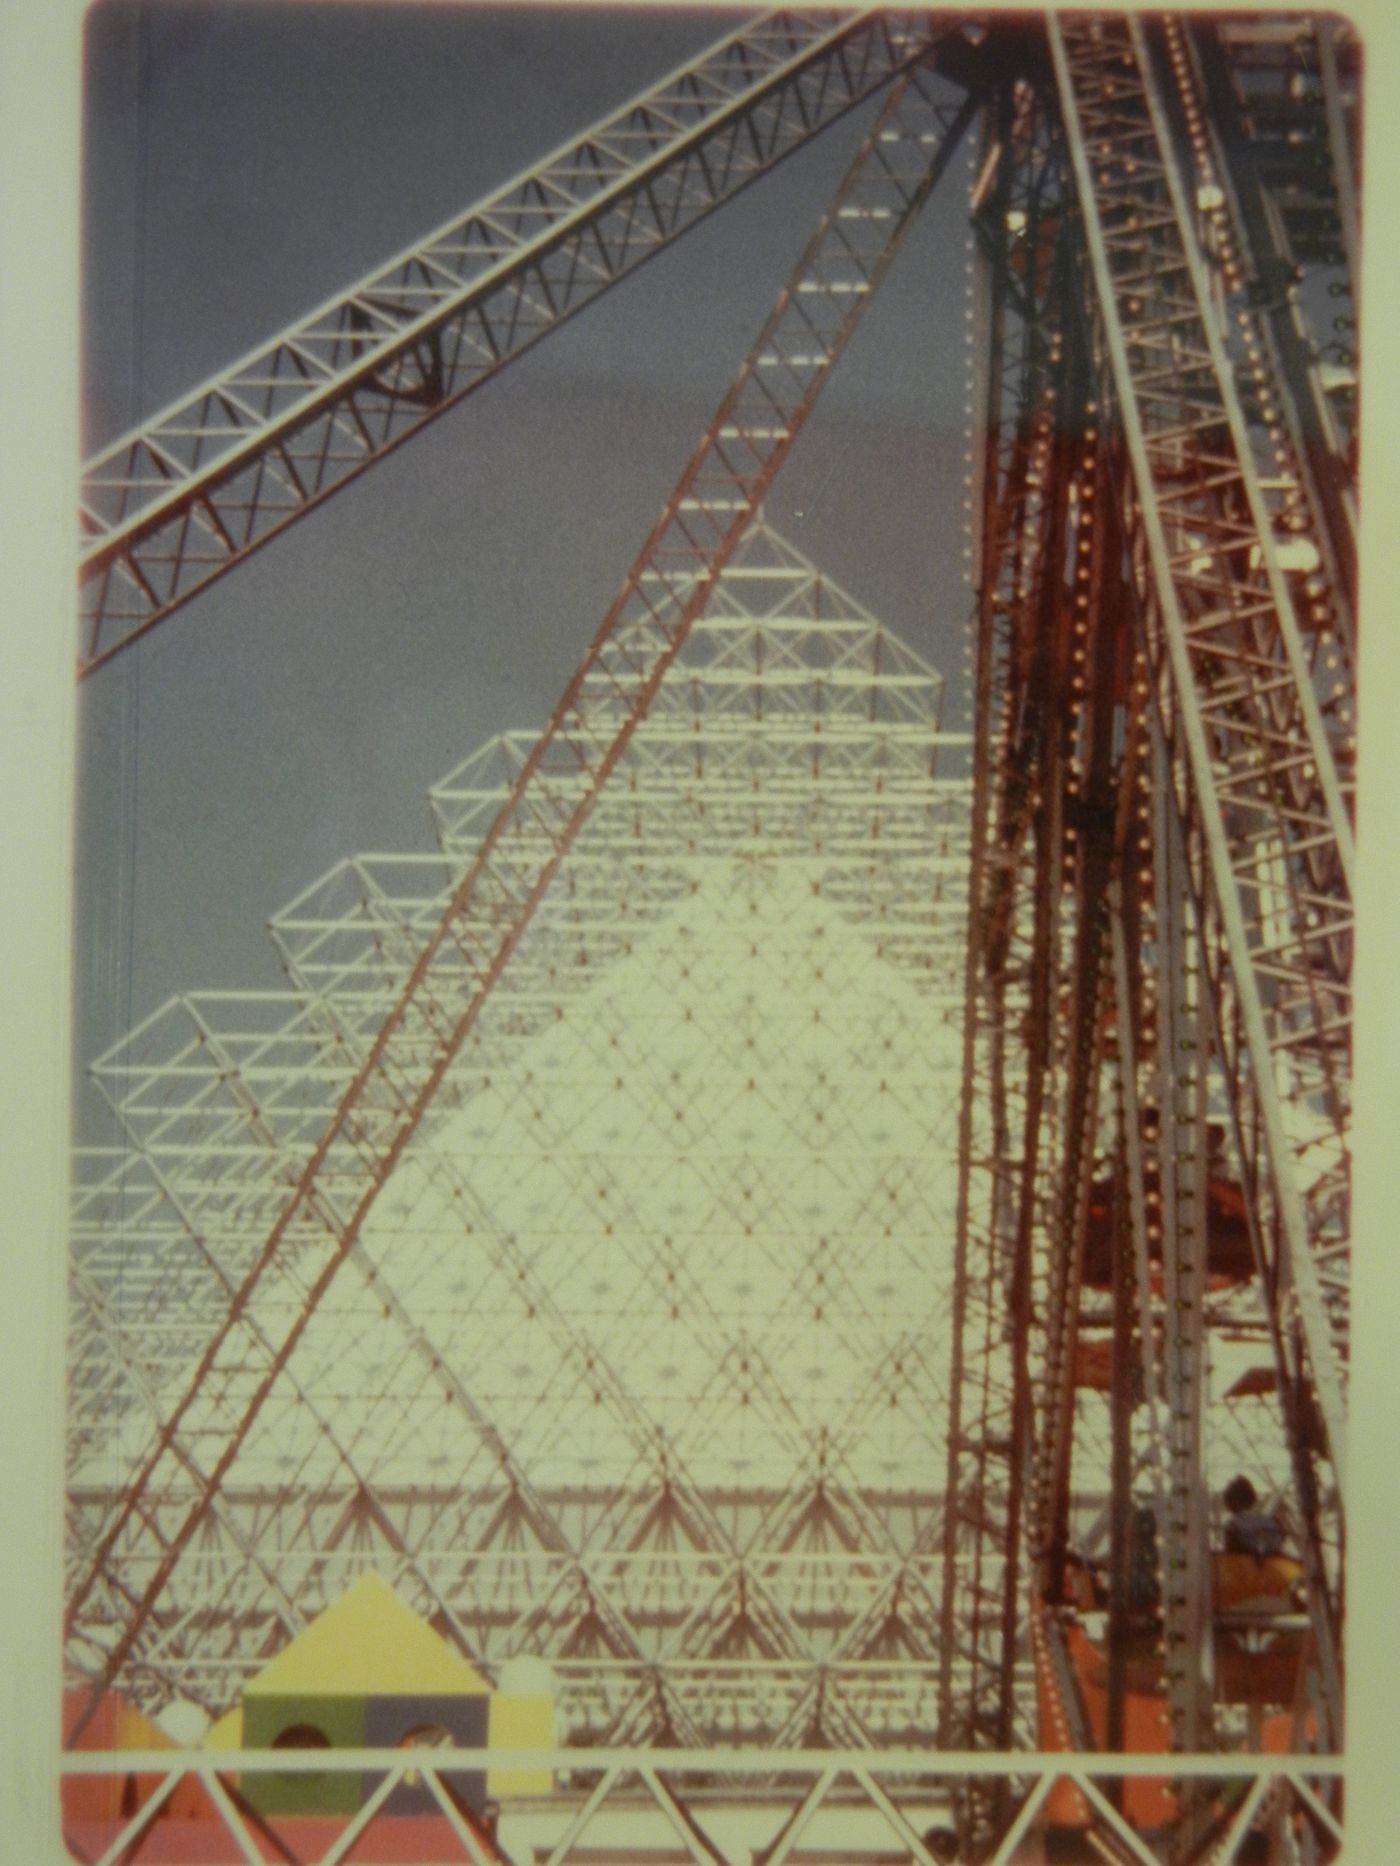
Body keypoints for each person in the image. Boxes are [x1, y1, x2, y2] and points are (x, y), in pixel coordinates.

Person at [1222, 1475, 1284, 1560]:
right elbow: (1279, 1544)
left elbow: (1230, 1555)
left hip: (1242, 1567)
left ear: (1230, 1501)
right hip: (1274, 1567)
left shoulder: (1232, 1524)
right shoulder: (1273, 1521)